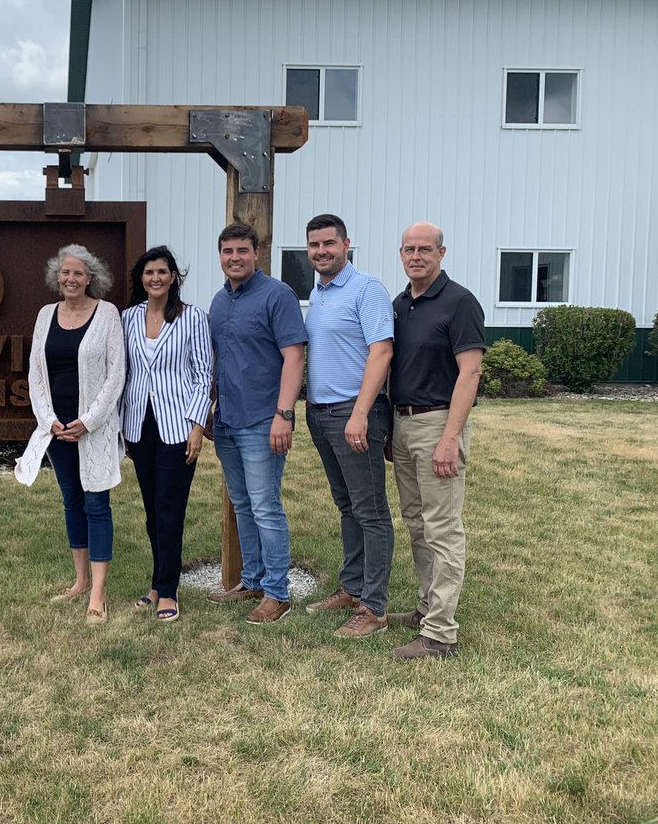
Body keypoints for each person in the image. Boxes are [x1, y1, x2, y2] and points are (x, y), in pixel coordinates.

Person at [388, 221, 485, 660]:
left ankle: (441, 635)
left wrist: (450, 439)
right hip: (403, 423)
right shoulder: (400, 304)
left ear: (441, 254)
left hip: (438, 424)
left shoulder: (460, 302)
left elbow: (470, 372)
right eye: (409, 249)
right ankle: (427, 609)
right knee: (417, 523)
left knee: (442, 529)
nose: (416, 256)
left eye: (425, 249)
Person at [15, 244, 126, 624]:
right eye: (65, 272)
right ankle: (80, 582)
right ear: (56, 276)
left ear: (90, 277)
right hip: (57, 429)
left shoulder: (107, 314)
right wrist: (48, 420)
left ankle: (98, 593)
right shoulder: (45, 315)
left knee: (97, 505)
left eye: (78, 273)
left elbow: (116, 375)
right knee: (72, 501)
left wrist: (88, 421)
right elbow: (35, 373)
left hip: (92, 428)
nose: (71, 279)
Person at [207, 224, 307, 625]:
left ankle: (278, 594)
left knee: (266, 507)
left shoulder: (277, 295)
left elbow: (294, 357)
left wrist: (284, 414)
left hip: (263, 420)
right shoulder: (219, 301)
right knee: (243, 504)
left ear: (256, 253)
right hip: (226, 420)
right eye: (227, 251)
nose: (235, 258)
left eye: (242, 251)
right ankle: (252, 580)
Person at [303, 213, 396, 638]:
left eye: (329, 243)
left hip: (355, 413)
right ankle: (352, 587)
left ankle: (373, 607)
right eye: (314, 245)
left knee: (371, 511)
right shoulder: (319, 292)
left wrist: (360, 412)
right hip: (321, 413)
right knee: (347, 506)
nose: (321, 251)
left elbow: (382, 352)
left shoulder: (366, 289)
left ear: (346, 244)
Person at [120, 246, 213, 623]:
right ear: (141, 279)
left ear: (174, 276)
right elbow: (125, 372)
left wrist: (197, 426)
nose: (155, 278)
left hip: (178, 426)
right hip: (139, 423)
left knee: (169, 509)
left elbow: (204, 375)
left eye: (162, 271)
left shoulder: (192, 317)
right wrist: (122, 426)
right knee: (151, 510)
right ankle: (157, 584)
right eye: (149, 272)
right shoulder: (128, 317)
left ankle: (169, 590)